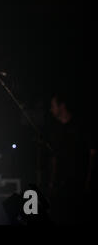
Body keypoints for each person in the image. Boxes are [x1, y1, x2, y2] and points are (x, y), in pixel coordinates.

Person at [44, 92, 95, 224]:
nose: (51, 109)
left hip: (78, 184)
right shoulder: (55, 130)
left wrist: (88, 180)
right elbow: (54, 157)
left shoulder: (81, 126)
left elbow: (92, 154)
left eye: (53, 106)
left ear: (62, 106)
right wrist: (52, 182)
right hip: (61, 187)